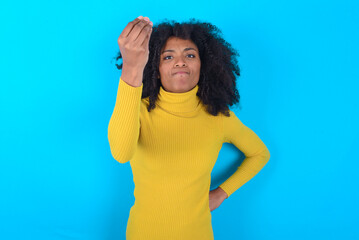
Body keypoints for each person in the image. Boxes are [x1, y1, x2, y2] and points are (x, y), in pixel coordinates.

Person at [108, 15, 270, 240]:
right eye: (168, 56)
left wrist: (221, 194)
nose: (180, 61)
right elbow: (121, 153)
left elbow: (260, 153)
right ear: (155, 69)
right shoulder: (137, 110)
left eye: (190, 55)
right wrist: (131, 68)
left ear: (203, 66)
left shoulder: (219, 117)